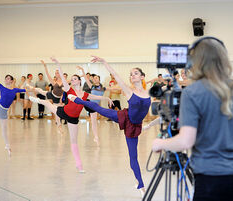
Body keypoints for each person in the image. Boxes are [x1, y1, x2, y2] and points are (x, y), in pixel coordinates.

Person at [151, 37, 233, 201]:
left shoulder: (192, 92)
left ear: (195, 61)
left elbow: (186, 141)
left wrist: (160, 143)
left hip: (211, 180)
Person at [68, 55, 151, 196]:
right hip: (124, 117)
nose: (132, 76)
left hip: (134, 127)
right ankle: (78, 100)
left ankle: (138, 182)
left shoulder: (149, 92)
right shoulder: (129, 91)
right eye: (131, 74)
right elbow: (117, 76)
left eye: (135, 73)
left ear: (142, 76)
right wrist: (104, 62)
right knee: (98, 108)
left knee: (133, 157)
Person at [29, 57, 112, 173]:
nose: (72, 81)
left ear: (79, 81)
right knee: (49, 104)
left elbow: (97, 97)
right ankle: (40, 100)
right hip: (64, 111)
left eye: (74, 79)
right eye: (71, 79)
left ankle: (79, 165)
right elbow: (62, 77)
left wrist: (107, 97)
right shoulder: (69, 90)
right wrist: (58, 63)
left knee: (74, 141)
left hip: (73, 119)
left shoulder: (84, 94)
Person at [28, 60, 64, 133]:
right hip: (51, 94)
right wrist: (45, 66)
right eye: (56, 73)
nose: (57, 74)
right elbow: (48, 75)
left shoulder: (64, 81)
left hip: (57, 99)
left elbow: (66, 89)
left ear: (60, 73)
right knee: (40, 90)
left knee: (57, 114)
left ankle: (59, 127)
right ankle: (30, 87)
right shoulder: (54, 82)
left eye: (58, 72)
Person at [0, 75, 27, 156]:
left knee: (4, 130)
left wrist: (34, 89)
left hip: (3, 111)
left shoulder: (15, 90)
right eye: (5, 78)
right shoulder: (1, 87)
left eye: (8, 78)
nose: (6, 80)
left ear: (12, 81)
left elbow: (25, 90)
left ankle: (7, 146)